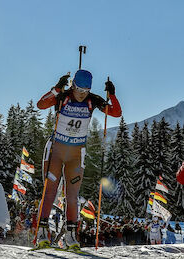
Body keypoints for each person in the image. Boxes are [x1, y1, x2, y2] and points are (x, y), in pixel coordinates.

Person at [36, 70, 121, 248]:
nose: (82, 94)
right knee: (50, 191)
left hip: (76, 153)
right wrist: (57, 88)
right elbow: (41, 105)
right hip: (57, 150)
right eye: (79, 89)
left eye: (85, 90)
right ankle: (42, 233)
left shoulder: (93, 100)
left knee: (72, 196)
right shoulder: (63, 97)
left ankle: (70, 236)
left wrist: (112, 94)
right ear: (73, 86)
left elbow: (116, 113)